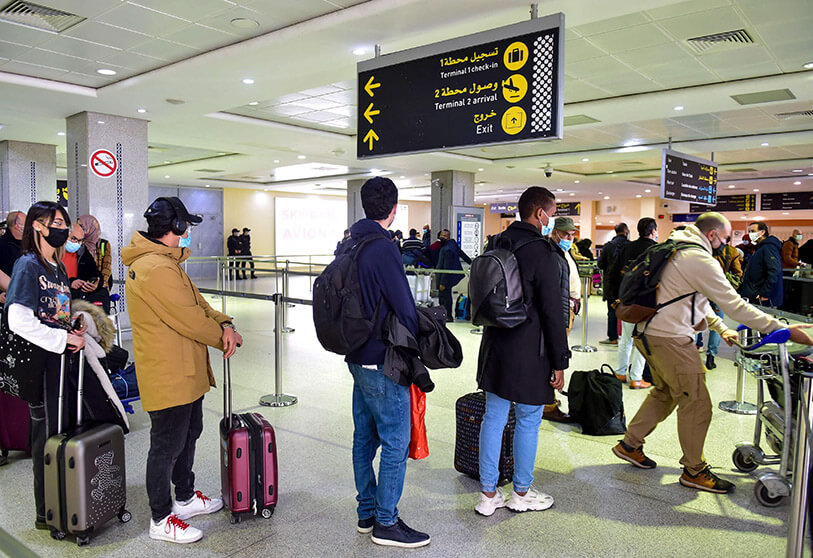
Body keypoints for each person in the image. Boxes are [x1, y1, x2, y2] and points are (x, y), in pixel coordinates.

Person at [612, 212, 813, 494]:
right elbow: (735, 306)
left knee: (666, 392)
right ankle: (694, 470)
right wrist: (783, 329)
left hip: (651, 334)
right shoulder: (699, 259)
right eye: (726, 237)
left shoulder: (677, 248)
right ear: (712, 235)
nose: (727, 242)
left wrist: (720, 328)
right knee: (697, 403)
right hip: (671, 339)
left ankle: (630, 444)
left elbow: (692, 299)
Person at [121, 197, 243, 544]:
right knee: (166, 445)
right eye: (185, 224)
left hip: (184, 369)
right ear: (176, 226)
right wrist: (223, 337)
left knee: (189, 433)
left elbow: (198, 304)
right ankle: (161, 518)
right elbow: (190, 319)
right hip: (168, 373)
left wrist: (224, 322)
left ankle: (185, 498)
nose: (188, 230)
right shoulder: (155, 268)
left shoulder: (166, 262)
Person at [342, 177, 430, 548]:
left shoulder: (348, 242)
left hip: (356, 355)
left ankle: (367, 512)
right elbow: (404, 306)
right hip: (382, 358)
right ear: (393, 209)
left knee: (364, 438)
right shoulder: (382, 247)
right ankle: (386, 522)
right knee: (396, 440)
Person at [475, 186, 570, 516]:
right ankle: (521, 493)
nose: (552, 219)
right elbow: (552, 312)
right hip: (531, 350)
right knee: (528, 420)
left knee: (493, 417)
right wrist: (560, 360)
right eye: (551, 213)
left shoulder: (497, 243)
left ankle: (488, 495)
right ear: (540, 213)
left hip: (495, 345)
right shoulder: (541, 251)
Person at [4, 201, 86, 530]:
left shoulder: (58, 267)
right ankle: (46, 512)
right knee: (45, 436)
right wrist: (61, 339)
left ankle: (64, 501)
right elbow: (17, 319)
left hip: (60, 363)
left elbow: (57, 313)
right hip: (39, 364)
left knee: (58, 432)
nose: (63, 229)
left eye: (65, 223)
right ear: (37, 226)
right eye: (57, 223)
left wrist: (72, 325)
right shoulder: (28, 264)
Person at [542, 216, 580, 424]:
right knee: (554, 355)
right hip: (560, 311)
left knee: (556, 354)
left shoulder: (563, 253)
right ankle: (548, 404)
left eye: (572, 234)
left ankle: (549, 400)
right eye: (565, 234)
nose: (569, 238)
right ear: (554, 232)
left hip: (568, 308)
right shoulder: (551, 254)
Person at [613, 218, 658, 389]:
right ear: (653, 231)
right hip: (646, 302)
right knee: (641, 340)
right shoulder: (656, 250)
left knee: (625, 339)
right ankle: (636, 378)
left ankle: (620, 372)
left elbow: (616, 271)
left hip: (627, 300)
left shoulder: (627, 247)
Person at [697, 239, 743, 369]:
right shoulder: (731, 251)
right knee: (717, 322)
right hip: (719, 291)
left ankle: (695, 349)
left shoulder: (701, 248)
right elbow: (738, 272)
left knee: (696, 319)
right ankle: (711, 357)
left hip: (701, 288)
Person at [62, 223, 109, 313]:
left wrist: (95, 284)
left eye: (80, 240)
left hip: (78, 298)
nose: (76, 243)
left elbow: (95, 272)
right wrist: (71, 283)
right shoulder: (53, 252)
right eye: (73, 238)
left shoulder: (81, 252)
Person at [597, 223, 630, 345]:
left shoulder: (608, 246)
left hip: (611, 283)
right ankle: (628, 338)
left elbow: (600, 264)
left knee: (612, 311)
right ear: (626, 232)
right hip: (626, 283)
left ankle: (613, 338)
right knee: (628, 310)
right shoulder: (630, 246)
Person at [740, 222, 783, 307]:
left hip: (761, 297)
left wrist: (764, 293)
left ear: (762, 232)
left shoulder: (769, 248)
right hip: (754, 294)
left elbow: (774, 271)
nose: (750, 234)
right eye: (749, 231)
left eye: (753, 231)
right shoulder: (760, 248)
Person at [437, 232, 472, 321]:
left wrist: (443, 283)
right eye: (441, 236)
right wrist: (472, 263)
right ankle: (446, 315)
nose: (442, 237)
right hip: (449, 276)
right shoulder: (452, 245)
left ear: (448, 237)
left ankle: (447, 316)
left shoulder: (447, 249)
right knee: (446, 296)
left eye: (444, 236)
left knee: (445, 297)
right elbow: (462, 254)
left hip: (445, 277)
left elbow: (447, 267)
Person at [77, 214, 113, 290]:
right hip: (82, 285)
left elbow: (106, 266)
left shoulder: (103, 244)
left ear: (90, 226)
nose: (79, 228)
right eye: (78, 225)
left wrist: (100, 284)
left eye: (81, 225)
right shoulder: (79, 243)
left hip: (98, 285)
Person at [0, 210, 25, 300]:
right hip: (8, 297)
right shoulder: (2, 245)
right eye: (26, 223)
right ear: (17, 226)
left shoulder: (30, 245)